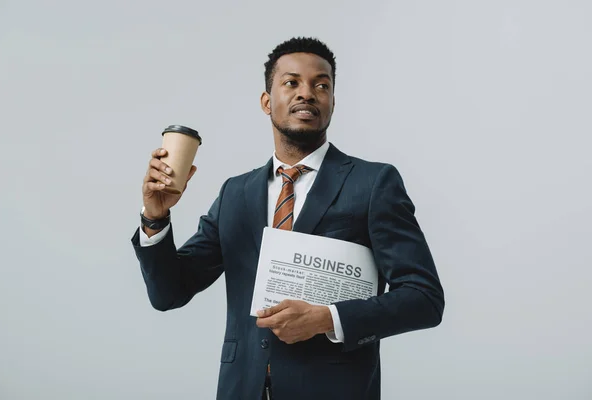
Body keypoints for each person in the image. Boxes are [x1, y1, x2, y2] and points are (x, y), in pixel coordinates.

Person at [131, 37, 445, 400]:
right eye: (291, 82)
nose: (307, 93)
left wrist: (328, 319)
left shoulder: (373, 184)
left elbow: (424, 298)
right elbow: (169, 292)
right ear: (267, 102)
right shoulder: (236, 193)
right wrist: (155, 217)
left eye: (321, 85)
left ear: (332, 102)